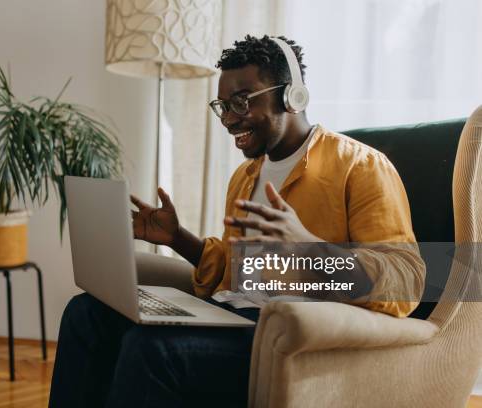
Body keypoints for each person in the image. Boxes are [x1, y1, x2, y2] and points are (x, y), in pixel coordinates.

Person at [49, 35, 425, 407]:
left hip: (288, 340)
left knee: (152, 349)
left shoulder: (360, 167)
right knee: (85, 314)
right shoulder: (246, 176)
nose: (229, 119)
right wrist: (178, 238)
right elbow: (237, 271)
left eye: (242, 102)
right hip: (231, 317)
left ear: (291, 95)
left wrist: (307, 248)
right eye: (223, 105)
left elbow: (406, 280)